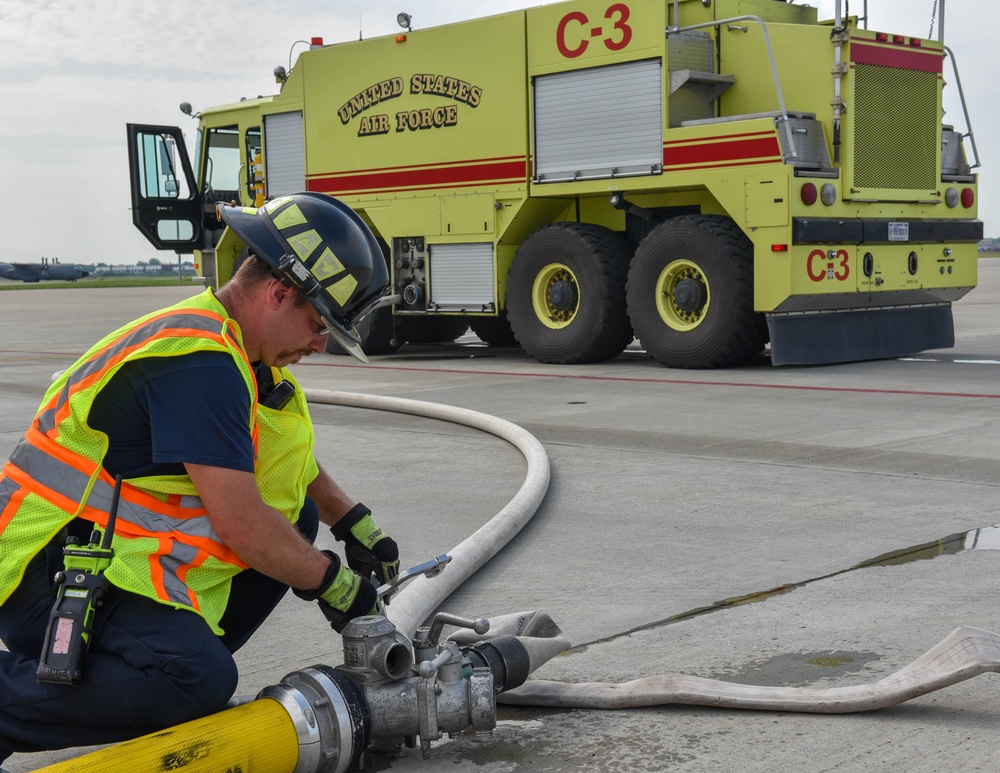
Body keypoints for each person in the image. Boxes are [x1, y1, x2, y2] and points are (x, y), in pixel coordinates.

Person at [0, 192, 398, 766]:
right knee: (195, 681)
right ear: (278, 291)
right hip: (44, 571)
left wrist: (350, 520)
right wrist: (335, 585)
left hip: (97, 548)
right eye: (317, 324)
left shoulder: (240, 349)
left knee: (297, 521)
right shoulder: (201, 364)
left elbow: (284, 464)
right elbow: (241, 523)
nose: (320, 343)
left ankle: (146, 679)